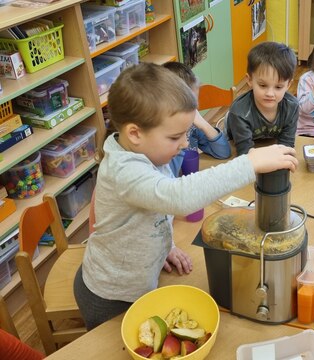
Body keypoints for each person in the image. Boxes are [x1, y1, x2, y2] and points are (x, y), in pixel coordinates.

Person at [73, 63, 298, 330]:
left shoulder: (147, 152)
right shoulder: (124, 170)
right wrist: (249, 163)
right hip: (112, 295)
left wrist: (163, 246)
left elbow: (152, 209)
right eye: (175, 136)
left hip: (139, 279)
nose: (184, 144)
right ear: (135, 133)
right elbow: (177, 197)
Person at [226, 41, 298, 155]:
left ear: (288, 85)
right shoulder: (239, 112)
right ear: (249, 80)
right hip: (240, 146)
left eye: (278, 87)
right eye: (263, 85)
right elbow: (245, 153)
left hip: (270, 146)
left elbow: (286, 145)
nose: (270, 93)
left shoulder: (292, 106)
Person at [163, 62, 231, 176]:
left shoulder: (192, 125)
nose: (195, 108)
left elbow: (223, 152)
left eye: (194, 104)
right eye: (189, 106)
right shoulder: (158, 137)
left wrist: (203, 123)